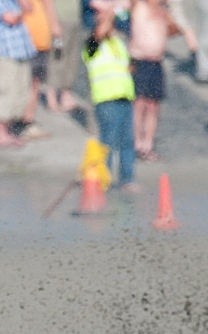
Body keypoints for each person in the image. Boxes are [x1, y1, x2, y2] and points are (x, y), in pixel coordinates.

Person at [83, 0, 137, 191]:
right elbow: (99, 32)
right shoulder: (91, 45)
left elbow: (129, 65)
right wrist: (111, 12)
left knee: (127, 141)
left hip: (125, 97)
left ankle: (127, 179)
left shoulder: (117, 42)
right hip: (106, 100)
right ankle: (102, 179)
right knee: (108, 142)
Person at [128, 0, 180, 161]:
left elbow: (176, 30)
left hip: (156, 62)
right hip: (140, 61)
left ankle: (148, 143)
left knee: (153, 105)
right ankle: (137, 142)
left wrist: (166, 15)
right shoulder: (138, 6)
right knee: (139, 103)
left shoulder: (163, 11)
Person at [0, 0, 37, 148]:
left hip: (21, 50)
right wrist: (22, 10)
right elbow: (10, 18)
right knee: (4, 92)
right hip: (3, 52)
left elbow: (29, 7)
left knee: (20, 91)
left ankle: (9, 131)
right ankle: (0, 135)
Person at [20, 0, 58, 139]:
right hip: (26, 41)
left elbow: (48, 6)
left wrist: (54, 28)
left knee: (34, 84)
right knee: (26, 84)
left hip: (41, 40)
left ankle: (27, 121)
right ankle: (23, 122)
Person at [47, 0, 85, 112]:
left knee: (71, 60)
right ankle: (52, 97)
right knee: (57, 58)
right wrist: (53, 23)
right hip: (60, 21)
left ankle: (65, 95)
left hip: (75, 20)